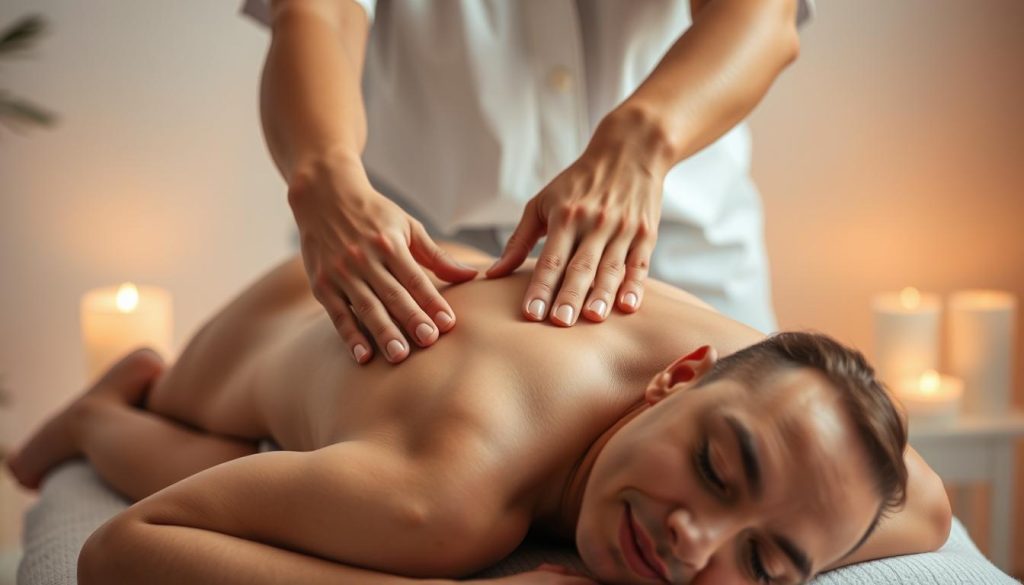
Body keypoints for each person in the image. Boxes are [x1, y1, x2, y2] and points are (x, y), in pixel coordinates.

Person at [9, 242, 951, 585]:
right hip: (282, 323)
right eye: (715, 467)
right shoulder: (442, 501)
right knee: (200, 459)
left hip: (458, 304)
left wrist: (780, 537)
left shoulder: (757, 381)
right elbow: (123, 551)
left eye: (767, 563)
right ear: (677, 378)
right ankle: (100, 410)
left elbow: (928, 505)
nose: (693, 541)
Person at [241, 0, 814, 365]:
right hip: (411, 254)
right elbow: (318, 16)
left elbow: (762, 15)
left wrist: (639, 144)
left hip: (672, 239)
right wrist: (323, 173)